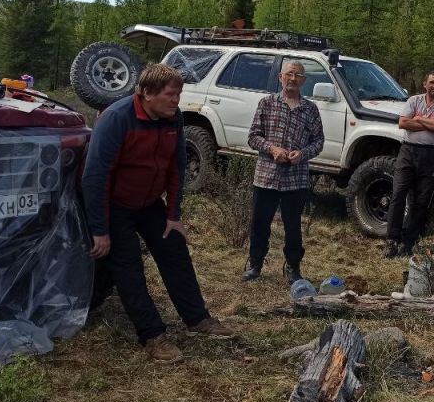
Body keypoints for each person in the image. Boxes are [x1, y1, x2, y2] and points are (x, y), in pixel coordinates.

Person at [82, 64, 233, 363]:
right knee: (129, 269)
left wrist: (173, 215)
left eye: (179, 94)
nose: (176, 100)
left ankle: (197, 319)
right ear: (147, 93)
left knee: (174, 250)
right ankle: (152, 335)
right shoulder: (116, 119)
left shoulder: (173, 118)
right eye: (170, 94)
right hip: (116, 206)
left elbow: (177, 167)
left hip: (150, 203)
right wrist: (99, 229)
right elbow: (94, 177)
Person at [243, 60, 325, 284]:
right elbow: (253, 136)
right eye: (289, 74)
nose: (293, 79)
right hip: (266, 175)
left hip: (296, 179)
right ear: (280, 77)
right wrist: (272, 149)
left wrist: (303, 154)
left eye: (298, 75)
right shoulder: (267, 103)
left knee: (293, 226)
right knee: (259, 223)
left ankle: (293, 267)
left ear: (304, 81)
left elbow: (319, 141)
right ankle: (255, 263)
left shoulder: (310, 109)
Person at [384, 70, 434, 258]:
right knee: (398, 195)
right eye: (432, 82)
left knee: (422, 202)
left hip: (430, 155)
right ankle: (392, 240)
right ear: (425, 84)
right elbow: (403, 123)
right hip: (408, 151)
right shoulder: (413, 101)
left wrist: (418, 119)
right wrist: (430, 123)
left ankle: (409, 243)